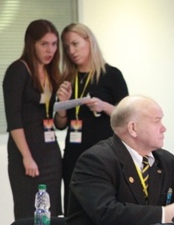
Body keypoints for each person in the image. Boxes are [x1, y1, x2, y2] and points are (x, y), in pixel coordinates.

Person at [64, 95, 174, 225]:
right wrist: (163, 214)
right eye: (157, 121)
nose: (163, 128)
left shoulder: (166, 161)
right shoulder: (96, 160)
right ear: (132, 128)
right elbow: (106, 212)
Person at [55, 23, 129, 211]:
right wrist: (62, 104)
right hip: (74, 153)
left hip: (104, 153)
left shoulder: (111, 75)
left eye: (75, 44)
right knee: (74, 206)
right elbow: (61, 124)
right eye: (67, 47)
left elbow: (127, 116)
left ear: (89, 42)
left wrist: (104, 106)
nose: (71, 51)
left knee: (105, 204)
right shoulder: (68, 78)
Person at [3, 19, 63, 219]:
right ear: (32, 44)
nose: (50, 50)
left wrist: (63, 104)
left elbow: (57, 121)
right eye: (44, 44)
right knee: (28, 212)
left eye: (54, 44)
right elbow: (14, 118)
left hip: (50, 152)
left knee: (52, 211)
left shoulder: (51, 72)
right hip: (26, 152)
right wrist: (26, 156)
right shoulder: (18, 70)